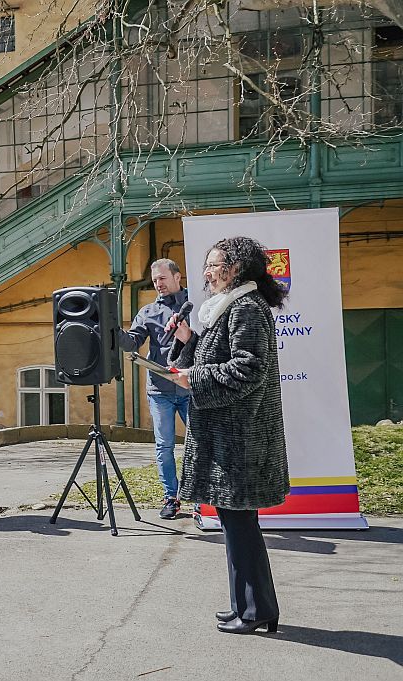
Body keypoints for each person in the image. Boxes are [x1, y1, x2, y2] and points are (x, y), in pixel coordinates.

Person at [169, 236, 289, 635]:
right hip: (229, 433)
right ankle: (251, 606)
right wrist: (191, 344)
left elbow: (247, 369)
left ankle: (255, 611)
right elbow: (221, 356)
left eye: (213, 264)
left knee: (239, 525)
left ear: (235, 268)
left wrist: (195, 377)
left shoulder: (247, 308)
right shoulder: (234, 307)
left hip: (239, 436)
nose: (206, 272)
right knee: (235, 523)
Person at [116, 259, 191, 519]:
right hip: (160, 391)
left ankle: (201, 499)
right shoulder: (147, 312)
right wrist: (113, 331)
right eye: (155, 280)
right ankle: (171, 498)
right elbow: (132, 343)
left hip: (192, 388)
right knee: (164, 446)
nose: (158, 284)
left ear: (177, 277)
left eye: (162, 278)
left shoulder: (196, 305)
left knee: (200, 443)